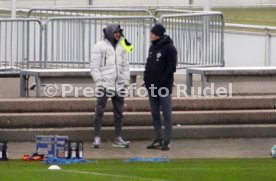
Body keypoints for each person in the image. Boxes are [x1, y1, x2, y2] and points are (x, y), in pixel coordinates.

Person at [90, 24, 133, 148]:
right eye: (116, 32)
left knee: (119, 112)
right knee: (99, 111)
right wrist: (99, 82)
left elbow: (125, 65)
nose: (118, 34)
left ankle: (118, 137)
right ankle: (97, 138)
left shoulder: (122, 45)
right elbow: (94, 67)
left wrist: (125, 81)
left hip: (119, 85)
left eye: (119, 32)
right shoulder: (99, 46)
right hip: (105, 85)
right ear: (109, 33)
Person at [144, 24, 177, 151]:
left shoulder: (170, 48)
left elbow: (171, 68)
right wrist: (147, 80)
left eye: (152, 33)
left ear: (158, 34)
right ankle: (158, 139)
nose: (150, 35)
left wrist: (163, 82)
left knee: (166, 114)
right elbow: (149, 65)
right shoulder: (152, 48)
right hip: (152, 87)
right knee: (155, 113)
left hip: (163, 88)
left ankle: (166, 140)